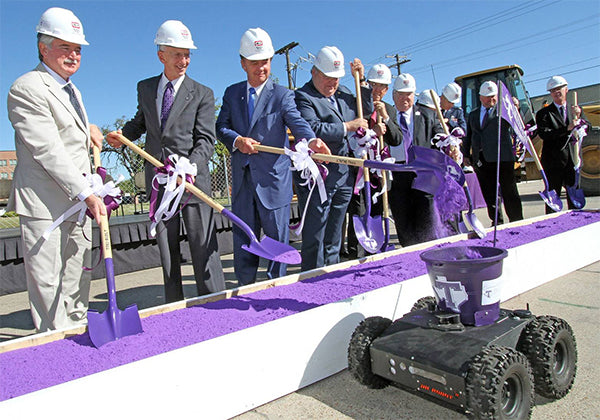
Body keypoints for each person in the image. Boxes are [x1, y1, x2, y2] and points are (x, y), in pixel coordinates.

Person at [106, 20, 225, 303]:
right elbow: (142, 122)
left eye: (187, 54)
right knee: (167, 250)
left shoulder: (203, 93)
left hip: (192, 182)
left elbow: (206, 139)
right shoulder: (146, 88)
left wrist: (189, 168)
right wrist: (123, 135)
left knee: (202, 246)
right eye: (177, 54)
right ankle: (174, 306)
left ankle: (216, 303)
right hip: (160, 182)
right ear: (161, 55)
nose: (184, 60)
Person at [7, 7, 106, 331]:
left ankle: (78, 333)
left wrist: (86, 127)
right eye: (65, 47)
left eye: (77, 49)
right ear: (43, 47)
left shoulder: (72, 90)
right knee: (48, 285)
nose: (73, 55)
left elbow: (65, 131)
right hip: (46, 205)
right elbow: (47, 148)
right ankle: (53, 347)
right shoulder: (27, 88)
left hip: (78, 204)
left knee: (78, 278)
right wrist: (87, 193)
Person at [216, 28, 326, 285]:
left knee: (277, 246)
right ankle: (245, 291)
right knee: (244, 242)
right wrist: (237, 140)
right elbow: (221, 127)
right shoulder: (232, 94)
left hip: (273, 184)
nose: (261, 68)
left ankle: (276, 290)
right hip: (243, 184)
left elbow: (297, 122)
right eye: (254, 63)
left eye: (265, 61)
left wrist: (310, 140)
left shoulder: (282, 95)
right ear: (243, 63)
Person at [294, 46, 372, 271]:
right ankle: (312, 276)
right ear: (314, 72)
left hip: (345, 173)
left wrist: (362, 81)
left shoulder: (344, 92)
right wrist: (347, 126)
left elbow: (363, 111)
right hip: (319, 175)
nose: (333, 84)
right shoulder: (303, 97)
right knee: (316, 231)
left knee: (335, 231)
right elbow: (313, 128)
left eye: (336, 79)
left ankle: (332, 273)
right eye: (328, 78)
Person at [342, 63, 401, 259]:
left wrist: (385, 118)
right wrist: (372, 133)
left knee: (377, 210)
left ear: (387, 89)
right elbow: (352, 135)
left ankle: (375, 249)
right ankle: (356, 255)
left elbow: (396, 139)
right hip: (361, 170)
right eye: (373, 85)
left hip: (380, 172)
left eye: (382, 87)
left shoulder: (390, 110)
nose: (377, 90)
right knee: (359, 211)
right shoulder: (357, 104)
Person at [386, 74, 447, 246]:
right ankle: (408, 252)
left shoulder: (428, 115)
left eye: (409, 94)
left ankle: (428, 251)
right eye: (400, 94)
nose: (405, 98)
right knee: (403, 219)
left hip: (423, 173)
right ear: (393, 95)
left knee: (425, 218)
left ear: (414, 95)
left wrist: (450, 144)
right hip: (397, 173)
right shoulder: (387, 115)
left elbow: (440, 136)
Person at [463, 81, 523, 225]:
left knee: (509, 192)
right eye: (488, 97)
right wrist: (466, 154)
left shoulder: (504, 111)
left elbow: (516, 124)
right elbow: (469, 136)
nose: (492, 100)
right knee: (489, 193)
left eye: (494, 96)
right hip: (482, 160)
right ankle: (496, 221)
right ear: (481, 97)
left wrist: (516, 109)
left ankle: (516, 220)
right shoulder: (473, 115)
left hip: (502, 158)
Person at [535, 76, 588, 213]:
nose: (556, 92)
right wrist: (567, 129)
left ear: (566, 89)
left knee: (574, 197)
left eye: (559, 89)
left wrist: (580, 119)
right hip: (553, 162)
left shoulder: (575, 110)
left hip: (573, 160)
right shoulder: (544, 114)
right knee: (553, 200)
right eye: (553, 90)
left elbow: (589, 127)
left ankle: (576, 222)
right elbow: (545, 134)